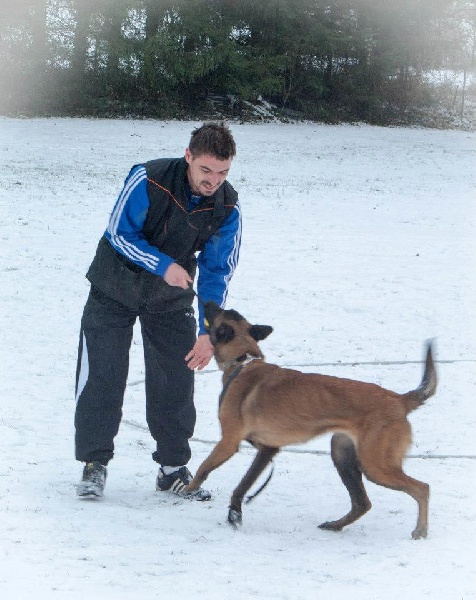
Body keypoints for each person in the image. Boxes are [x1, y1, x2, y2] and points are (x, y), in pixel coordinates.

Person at [74, 122, 241, 501]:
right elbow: (119, 233)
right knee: (103, 374)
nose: (213, 180)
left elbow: (218, 271)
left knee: (176, 379)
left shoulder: (227, 205)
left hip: (170, 297)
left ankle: (172, 469)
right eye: (206, 170)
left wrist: (208, 330)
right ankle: (93, 464)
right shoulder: (148, 177)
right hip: (113, 286)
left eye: (223, 172)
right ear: (189, 157)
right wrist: (162, 264)